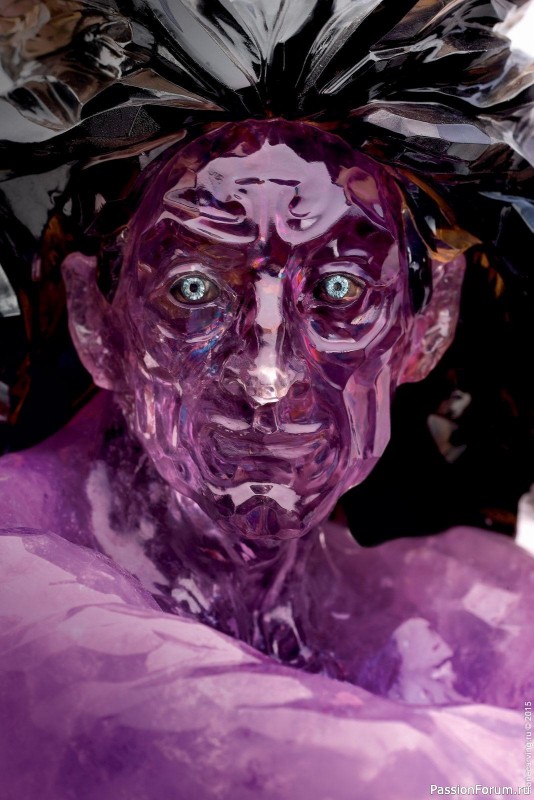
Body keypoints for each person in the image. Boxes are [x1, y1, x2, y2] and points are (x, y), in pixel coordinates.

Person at [0, 2, 532, 798]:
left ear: (428, 326)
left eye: (341, 291)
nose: (268, 378)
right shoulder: (19, 581)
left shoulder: (461, 607)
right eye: (194, 290)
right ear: (96, 321)